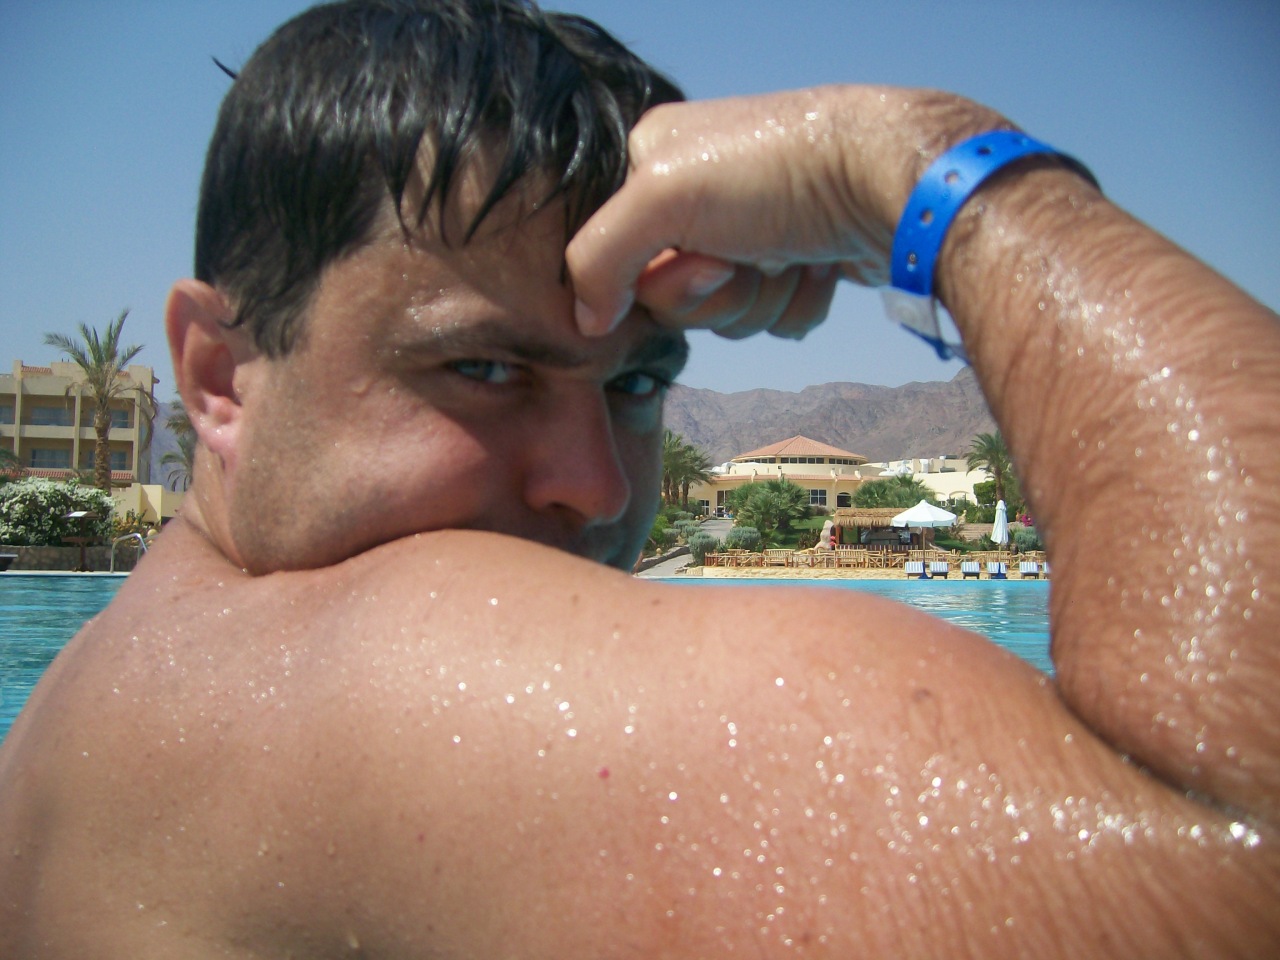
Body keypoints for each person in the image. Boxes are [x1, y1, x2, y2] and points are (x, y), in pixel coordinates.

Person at [2, 0, 1278, 955]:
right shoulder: (352, 678)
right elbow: (1241, 857)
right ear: (218, 375)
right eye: (482, 369)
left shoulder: (88, 704)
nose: (598, 488)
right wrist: (930, 176)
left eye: (634, 385)